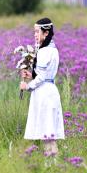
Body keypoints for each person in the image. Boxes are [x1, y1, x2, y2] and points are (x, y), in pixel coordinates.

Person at [19, 18, 64, 156]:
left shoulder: (44, 52)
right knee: (50, 134)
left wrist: (27, 86)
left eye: (37, 31)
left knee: (46, 134)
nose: (35, 35)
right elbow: (44, 74)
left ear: (46, 33)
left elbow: (42, 78)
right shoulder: (53, 50)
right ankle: (53, 165)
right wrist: (31, 74)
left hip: (44, 93)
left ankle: (50, 167)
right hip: (50, 90)